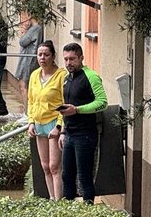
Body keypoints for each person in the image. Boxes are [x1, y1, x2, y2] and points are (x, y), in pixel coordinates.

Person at [57, 42, 107, 203]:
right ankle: (69, 211)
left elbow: (102, 102)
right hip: (69, 133)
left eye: (72, 59)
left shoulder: (91, 76)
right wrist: (63, 132)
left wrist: (78, 110)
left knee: (84, 175)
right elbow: (66, 107)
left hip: (85, 133)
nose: (68, 63)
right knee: (67, 175)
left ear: (81, 58)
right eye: (65, 59)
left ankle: (88, 208)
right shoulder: (66, 79)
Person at [26, 40, 67, 200]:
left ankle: (58, 201)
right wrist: (30, 122)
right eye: (40, 54)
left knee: (54, 166)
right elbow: (30, 100)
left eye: (46, 55)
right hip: (38, 123)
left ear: (53, 56)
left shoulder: (61, 75)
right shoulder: (34, 75)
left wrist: (59, 126)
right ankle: (51, 199)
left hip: (53, 123)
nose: (42, 58)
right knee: (45, 166)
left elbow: (65, 102)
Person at [15, 16, 42, 106]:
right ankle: (27, 111)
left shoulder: (35, 28)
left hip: (28, 60)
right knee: (25, 85)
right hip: (29, 59)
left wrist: (25, 31)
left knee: (23, 85)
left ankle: (27, 112)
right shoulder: (36, 28)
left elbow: (22, 41)